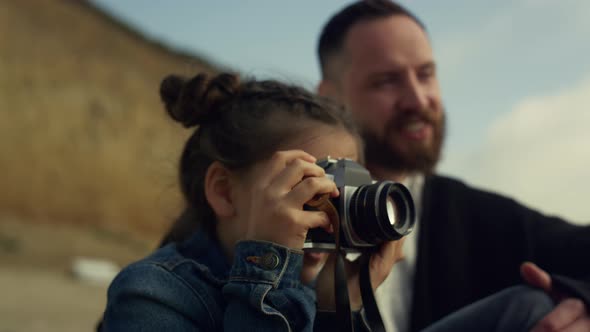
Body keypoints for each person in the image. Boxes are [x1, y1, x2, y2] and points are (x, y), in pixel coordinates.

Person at [101, 72, 555, 331]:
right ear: (224, 191)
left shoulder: (316, 290)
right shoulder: (152, 295)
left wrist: (345, 305)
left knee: (529, 308)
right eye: (311, 181)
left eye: (349, 183)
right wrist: (269, 269)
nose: (333, 205)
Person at [315, 1, 590, 332]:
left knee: (533, 305)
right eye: (386, 81)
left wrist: (581, 303)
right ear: (329, 99)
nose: (418, 99)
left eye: (426, 74)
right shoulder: (285, 216)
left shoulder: (480, 217)